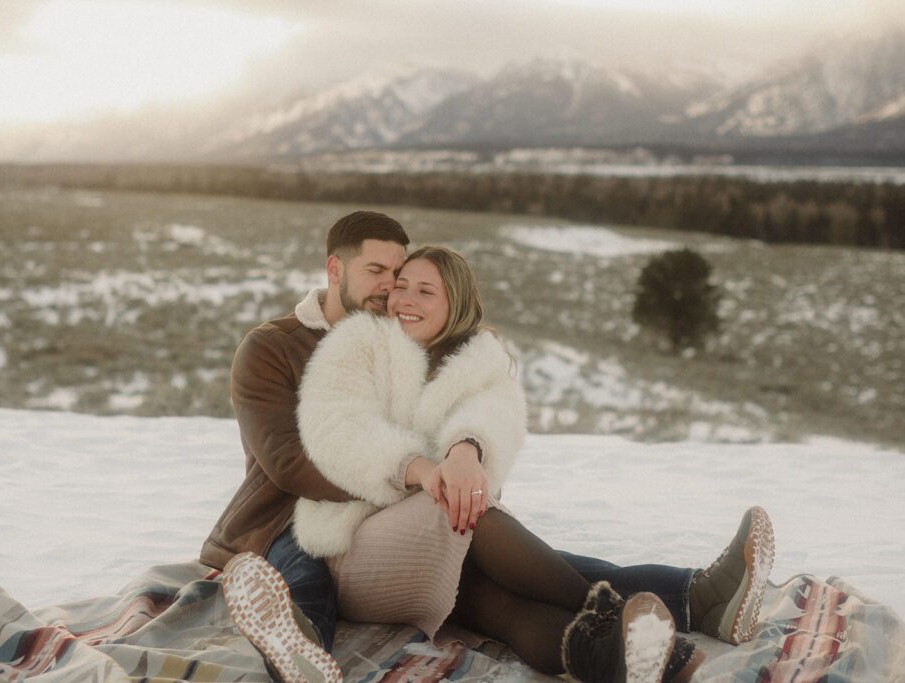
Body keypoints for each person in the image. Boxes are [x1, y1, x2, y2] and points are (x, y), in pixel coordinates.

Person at [202, 213, 775, 681]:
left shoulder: (412, 342)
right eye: (381, 273)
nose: (391, 289)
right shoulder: (277, 347)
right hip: (286, 518)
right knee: (303, 579)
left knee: (502, 591)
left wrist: (465, 450)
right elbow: (292, 462)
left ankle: (673, 618)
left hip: (416, 517)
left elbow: (483, 406)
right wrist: (417, 473)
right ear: (334, 269)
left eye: (404, 278)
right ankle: (298, 647)